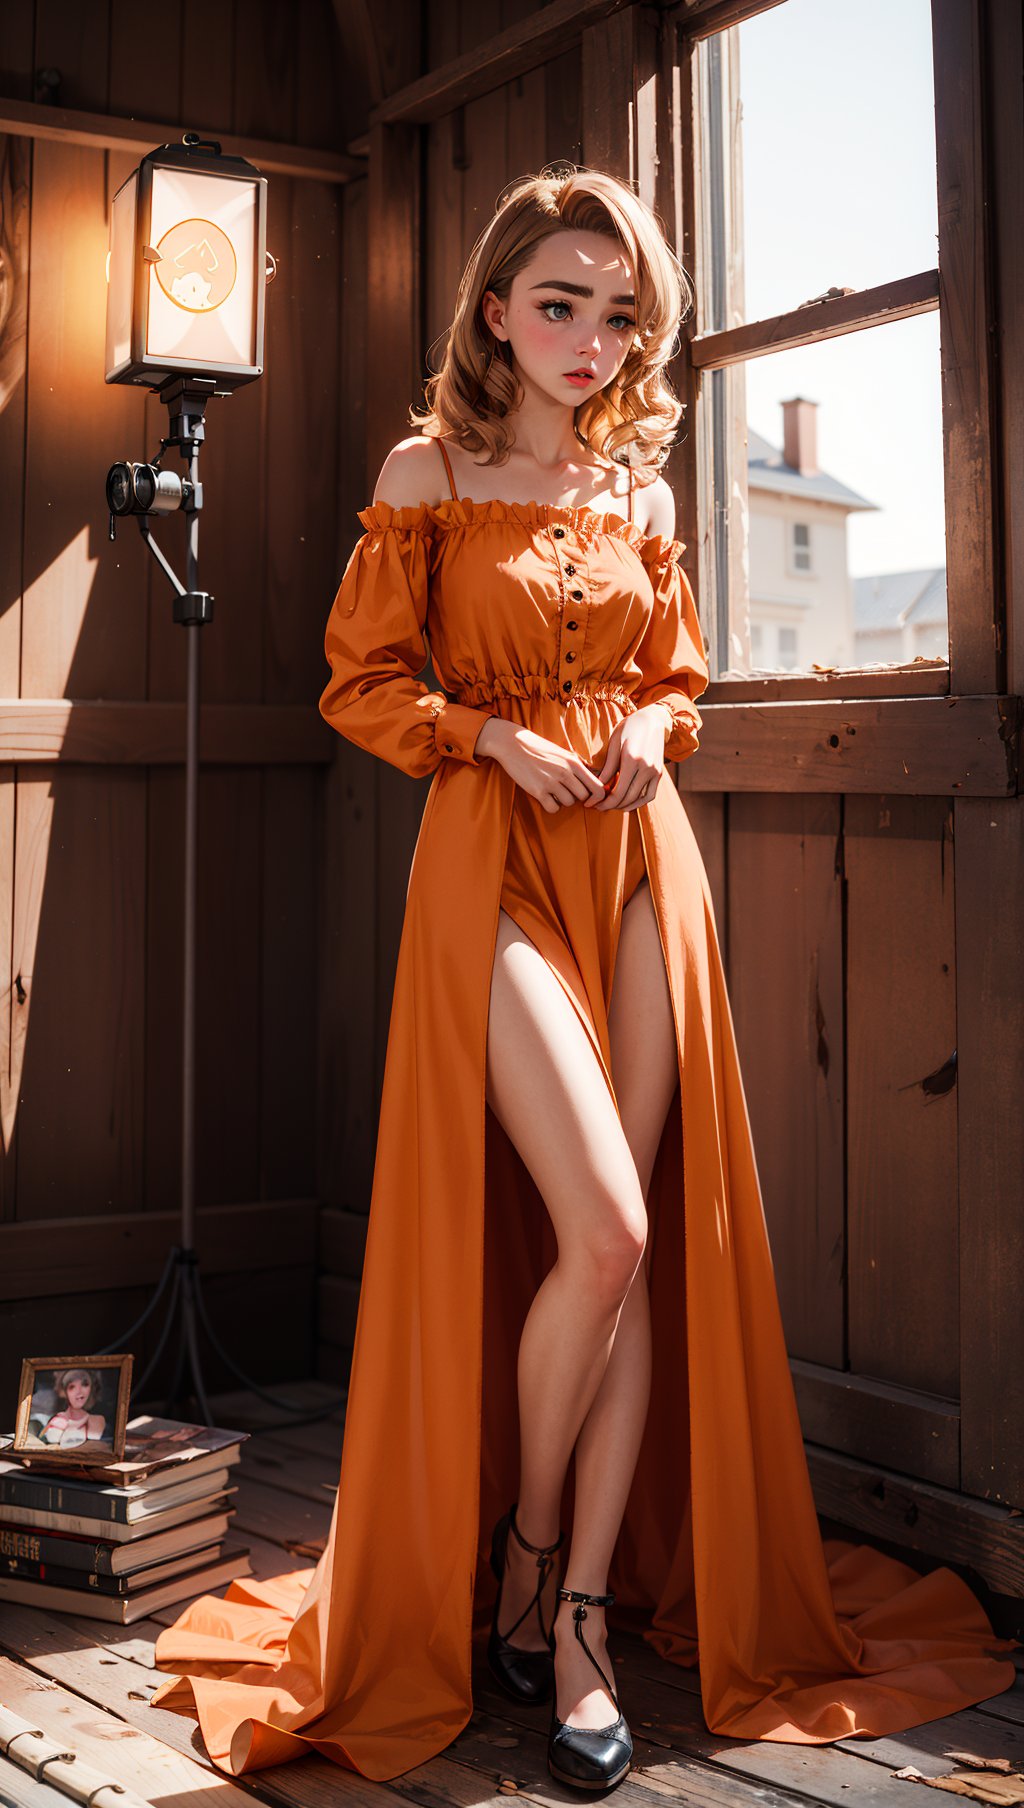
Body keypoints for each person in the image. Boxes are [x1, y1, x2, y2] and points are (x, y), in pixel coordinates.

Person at [149, 165, 1018, 1791]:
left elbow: (677, 681)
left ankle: (576, 1618)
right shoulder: (430, 467)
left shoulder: (649, 492)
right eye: (560, 301)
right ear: (492, 309)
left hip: (638, 864)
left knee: (627, 1256)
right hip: (487, 857)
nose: (594, 337)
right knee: (602, 1225)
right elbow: (361, 681)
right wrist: (484, 735)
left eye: (622, 313)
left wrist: (643, 724)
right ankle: (534, 1555)